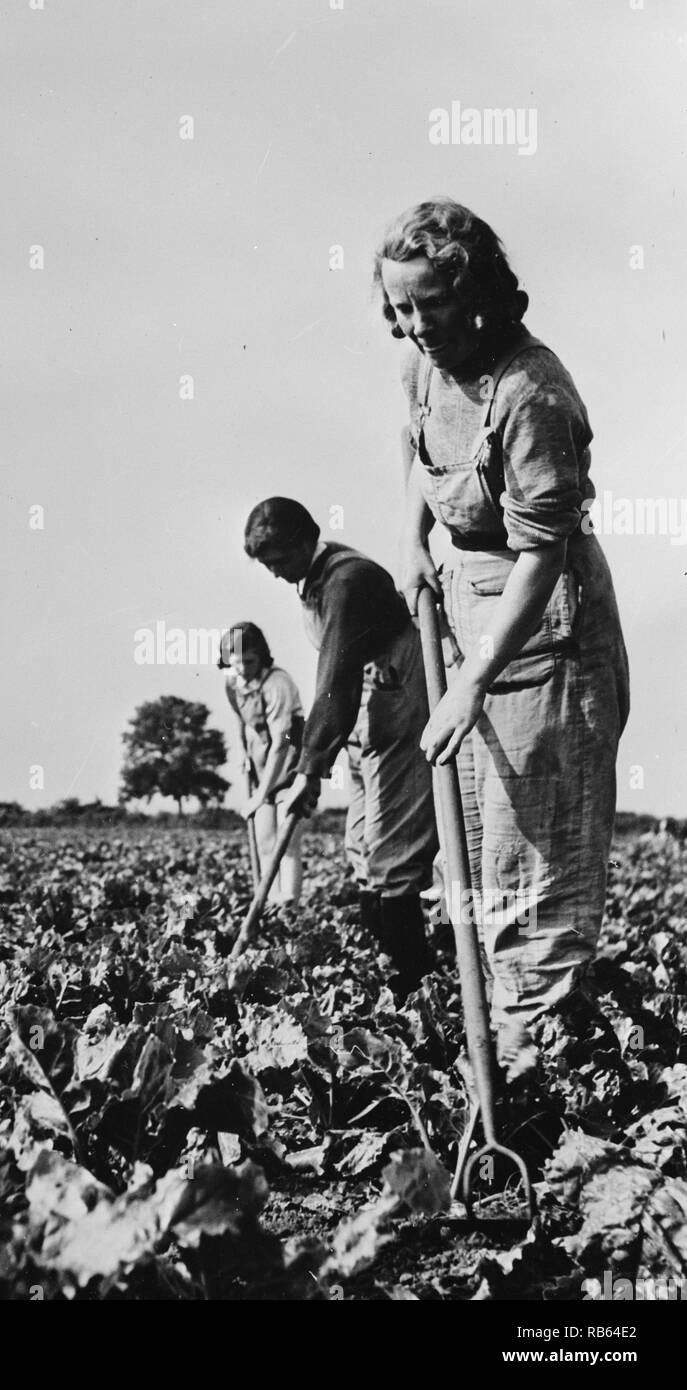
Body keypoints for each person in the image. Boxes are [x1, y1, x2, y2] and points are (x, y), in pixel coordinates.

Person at [376, 196, 630, 1061]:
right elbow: (415, 447)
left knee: (536, 853)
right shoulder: (423, 368)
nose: (414, 327)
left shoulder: (530, 390)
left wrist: (472, 681)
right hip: (463, 605)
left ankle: (543, 1076)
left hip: (546, 630)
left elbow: (540, 555)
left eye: (430, 305)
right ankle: (514, 1045)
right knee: (475, 853)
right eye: (399, 308)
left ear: (474, 290)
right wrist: (412, 536)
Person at [243, 499, 439, 997]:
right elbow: (332, 685)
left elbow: (336, 678)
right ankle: (378, 969)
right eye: (267, 566)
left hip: (396, 707)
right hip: (364, 717)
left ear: (307, 539)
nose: (275, 574)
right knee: (361, 846)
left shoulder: (346, 581)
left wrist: (310, 771)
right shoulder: (312, 582)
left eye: (279, 561)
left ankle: (412, 986)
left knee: (392, 852)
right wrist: (305, 762)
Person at [219, 622, 305, 903]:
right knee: (265, 838)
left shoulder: (278, 684)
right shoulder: (232, 682)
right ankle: (269, 901)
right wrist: (245, 753)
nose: (243, 668)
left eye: (249, 661)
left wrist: (259, 795)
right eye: (236, 663)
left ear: (262, 656)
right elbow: (240, 720)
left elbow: (281, 743)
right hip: (260, 760)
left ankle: (288, 902)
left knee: (286, 840)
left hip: (290, 761)